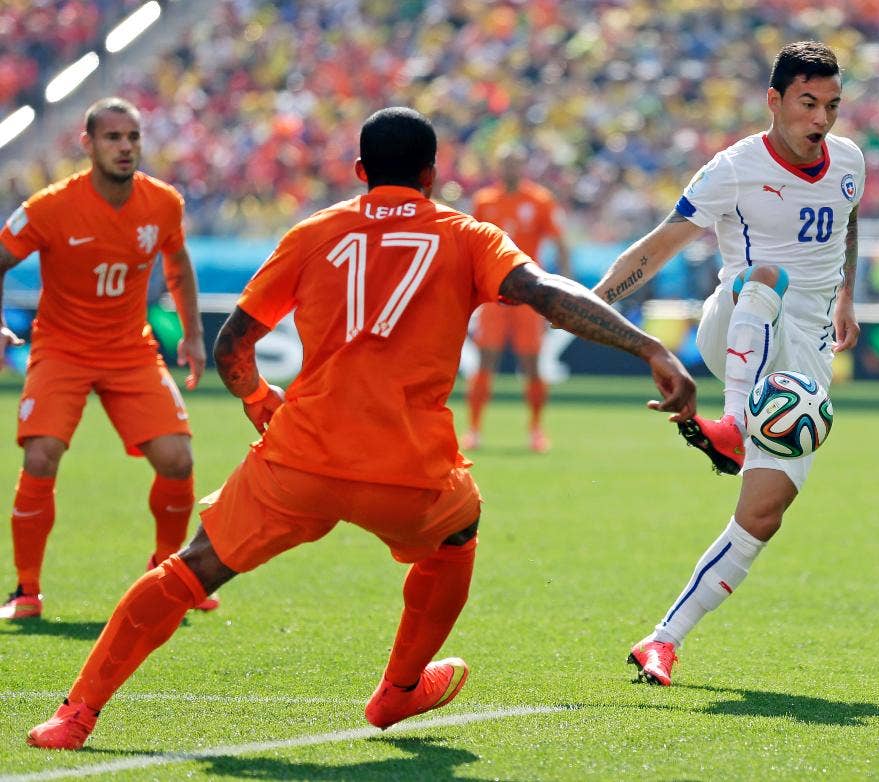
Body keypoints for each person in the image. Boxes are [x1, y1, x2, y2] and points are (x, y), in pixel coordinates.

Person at [25, 106, 696, 749]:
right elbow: (550, 294)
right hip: (407, 473)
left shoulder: (315, 232)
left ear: (358, 170)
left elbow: (232, 344)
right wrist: (651, 350)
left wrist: (259, 398)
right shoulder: (467, 235)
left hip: (300, 460)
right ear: (433, 174)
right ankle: (398, 689)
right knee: (458, 534)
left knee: (191, 569)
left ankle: (75, 715)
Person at [593, 41, 864, 686]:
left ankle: (662, 641)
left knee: (763, 515)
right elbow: (657, 248)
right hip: (737, 323)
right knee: (763, 278)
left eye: (830, 105)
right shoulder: (732, 169)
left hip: (803, 366)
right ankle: (731, 425)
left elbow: (848, 220)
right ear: (773, 101)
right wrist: (591, 301)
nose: (820, 120)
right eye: (806, 103)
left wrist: (846, 294)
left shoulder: (849, 160)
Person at [0, 97, 219, 620]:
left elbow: (178, 262)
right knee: (40, 456)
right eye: (113, 138)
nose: (125, 148)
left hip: (129, 349)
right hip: (61, 348)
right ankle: (26, 591)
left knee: (178, 460)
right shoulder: (51, 207)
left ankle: (170, 574)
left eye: (132, 138)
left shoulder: (163, 202)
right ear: (88, 144)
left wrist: (191, 335)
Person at [462, 144, 571, 453]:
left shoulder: (539, 200)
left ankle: (536, 430)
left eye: (515, 163)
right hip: (494, 293)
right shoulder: (485, 201)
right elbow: (471, 245)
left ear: (523, 166)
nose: (510, 168)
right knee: (486, 358)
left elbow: (560, 242)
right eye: (505, 163)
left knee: (532, 362)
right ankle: (474, 429)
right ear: (497, 166)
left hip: (528, 293)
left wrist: (563, 283)